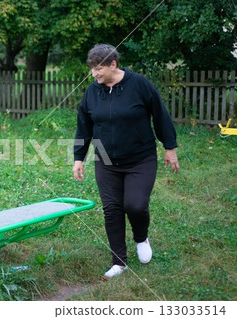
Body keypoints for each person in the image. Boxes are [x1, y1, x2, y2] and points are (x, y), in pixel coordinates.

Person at [72, 44, 180, 279]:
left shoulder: (139, 84)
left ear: (113, 64)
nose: (94, 74)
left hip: (140, 158)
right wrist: (78, 158)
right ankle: (119, 262)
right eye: (92, 69)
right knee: (111, 210)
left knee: (135, 205)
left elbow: (160, 115)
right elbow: (84, 126)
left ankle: (141, 237)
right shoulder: (92, 91)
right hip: (106, 160)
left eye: (98, 69)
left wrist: (169, 147)